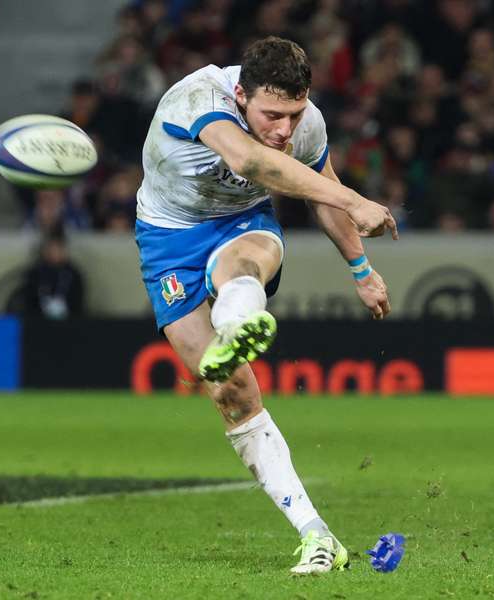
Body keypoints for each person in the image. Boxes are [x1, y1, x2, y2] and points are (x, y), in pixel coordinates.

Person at [134, 37, 397, 574]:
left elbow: (323, 192)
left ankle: (239, 321)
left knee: (242, 267)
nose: (284, 130)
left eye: (295, 114)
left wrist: (362, 270)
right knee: (232, 393)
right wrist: (356, 200)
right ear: (240, 95)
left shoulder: (308, 124)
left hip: (242, 225)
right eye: (272, 114)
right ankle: (317, 531)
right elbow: (250, 159)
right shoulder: (198, 99)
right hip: (168, 238)